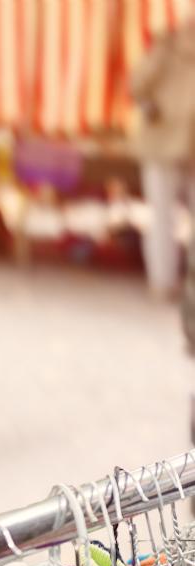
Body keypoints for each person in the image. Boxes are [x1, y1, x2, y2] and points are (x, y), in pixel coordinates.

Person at [131, 16, 195, 340]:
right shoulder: (166, 47)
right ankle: (170, 282)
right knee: (165, 217)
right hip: (171, 144)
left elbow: (136, 84)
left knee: (163, 217)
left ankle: (165, 282)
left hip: (172, 143)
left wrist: (149, 105)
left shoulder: (168, 45)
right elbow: (137, 85)